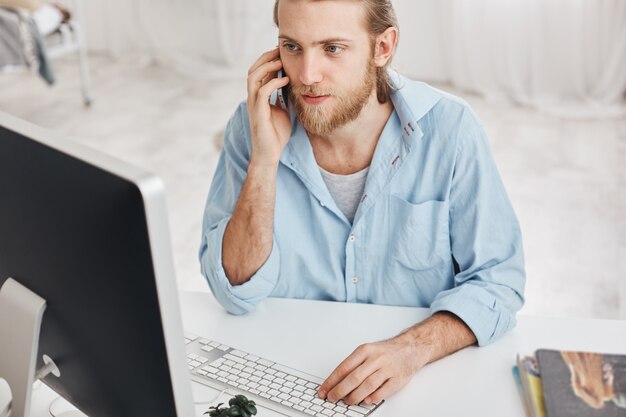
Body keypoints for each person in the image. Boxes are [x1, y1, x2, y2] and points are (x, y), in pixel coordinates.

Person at [199, 0, 526, 406]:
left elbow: (498, 282)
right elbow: (234, 292)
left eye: (332, 48)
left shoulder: (451, 130)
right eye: (292, 47)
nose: (307, 75)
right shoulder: (252, 128)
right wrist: (264, 161)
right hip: (286, 381)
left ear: (382, 47)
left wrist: (411, 349)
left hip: (420, 387)